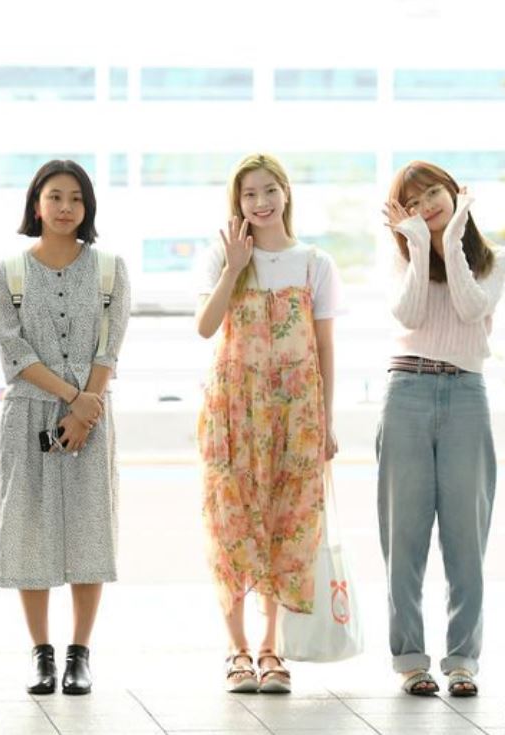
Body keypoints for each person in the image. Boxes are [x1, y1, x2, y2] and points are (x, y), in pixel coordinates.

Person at [195, 153, 340, 694]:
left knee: (288, 522)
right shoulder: (222, 256)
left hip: (296, 412)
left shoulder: (315, 262)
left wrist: (326, 421)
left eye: (268, 190)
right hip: (234, 409)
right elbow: (205, 327)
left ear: (286, 192)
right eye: (249, 194)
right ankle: (236, 650)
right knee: (231, 523)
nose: (260, 202)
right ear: (238, 203)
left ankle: (271, 648)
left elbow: (325, 347)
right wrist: (234, 268)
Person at [0, 160, 131, 695]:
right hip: (30, 414)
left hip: (92, 417)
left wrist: (87, 409)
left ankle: (79, 655)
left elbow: (109, 347)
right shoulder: (5, 273)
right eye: (54, 197)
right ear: (36, 204)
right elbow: (15, 352)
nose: (65, 207)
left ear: (87, 207)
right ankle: (41, 655)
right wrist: (75, 399)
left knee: (90, 530)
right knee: (30, 531)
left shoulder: (111, 269)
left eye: (76, 198)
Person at [379, 161, 505, 697]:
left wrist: (452, 239)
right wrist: (417, 247)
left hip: (466, 394)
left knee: (465, 538)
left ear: (454, 192)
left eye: (432, 192)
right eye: (412, 202)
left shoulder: (494, 261)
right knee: (404, 538)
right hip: (406, 390)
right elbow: (410, 316)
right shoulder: (399, 258)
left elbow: (469, 306)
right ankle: (411, 660)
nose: (425, 205)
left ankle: (462, 661)